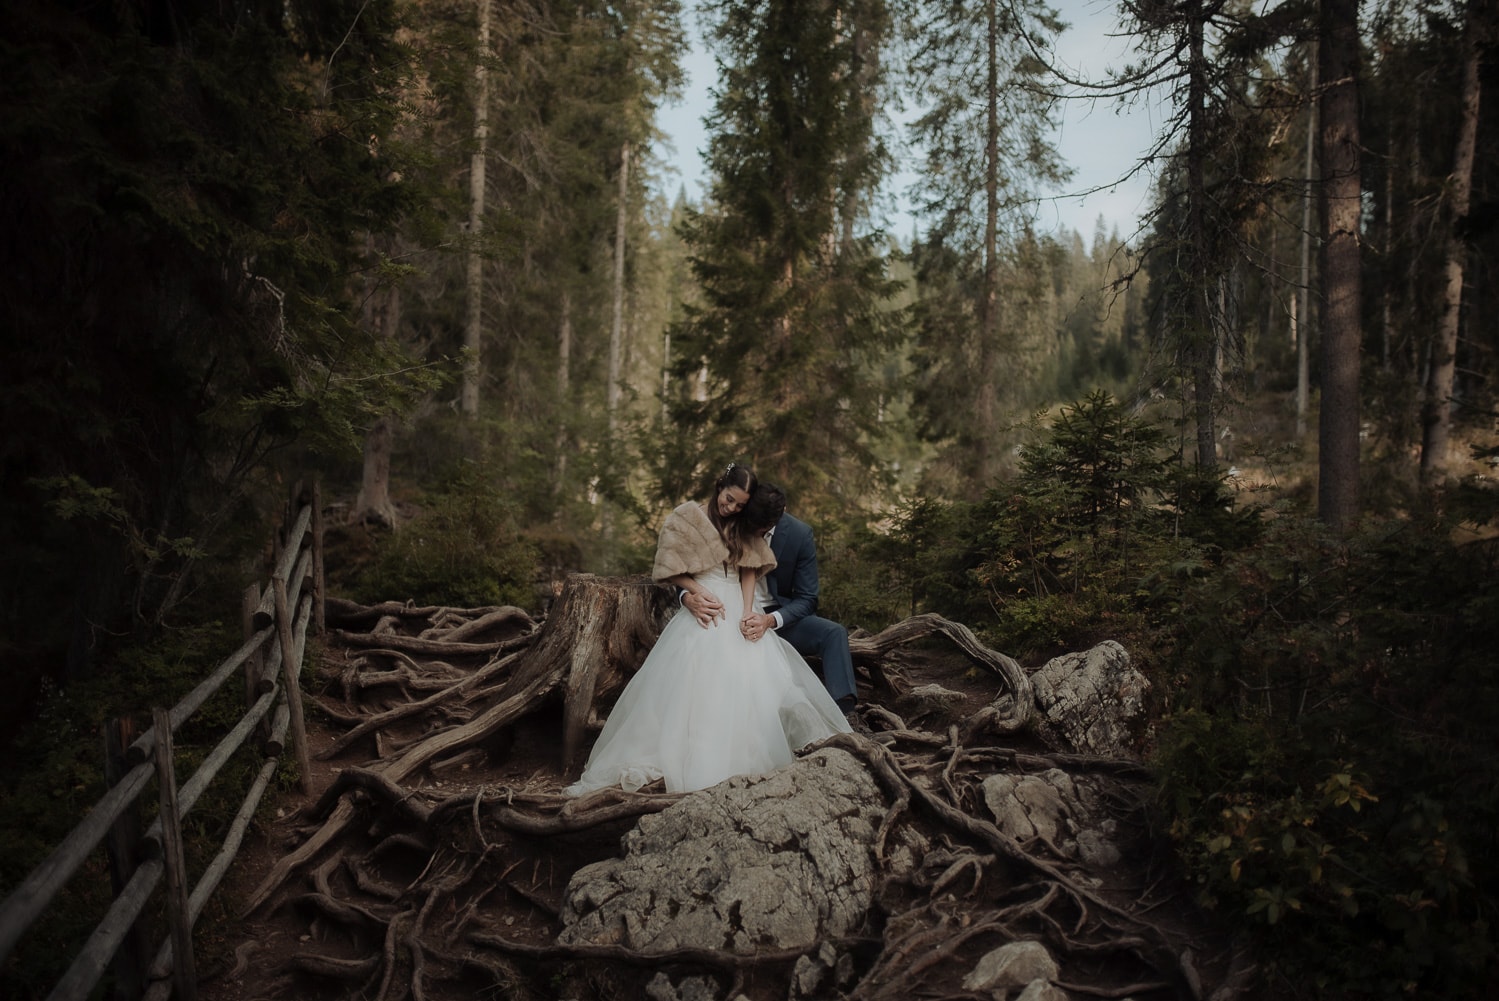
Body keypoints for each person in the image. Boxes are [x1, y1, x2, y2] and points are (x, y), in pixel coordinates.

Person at [563, 464, 851, 796]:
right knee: (695, 673)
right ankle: (686, 751)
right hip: (707, 605)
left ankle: (797, 734)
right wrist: (693, 592)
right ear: (719, 487)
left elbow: (751, 569)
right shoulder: (687, 519)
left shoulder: (751, 527)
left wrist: (748, 612)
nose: (732, 508)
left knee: (762, 675)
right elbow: (671, 569)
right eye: (729, 500)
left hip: (748, 608)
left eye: (740, 505)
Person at [695, 483, 859, 720]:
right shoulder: (728, 519)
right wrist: (687, 596)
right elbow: (689, 566)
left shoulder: (799, 534)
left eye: (762, 529)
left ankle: (844, 716)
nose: (756, 533)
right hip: (729, 610)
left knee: (834, 633)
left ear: (780, 515)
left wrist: (770, 620)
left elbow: (807, 598)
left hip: (777, 615)